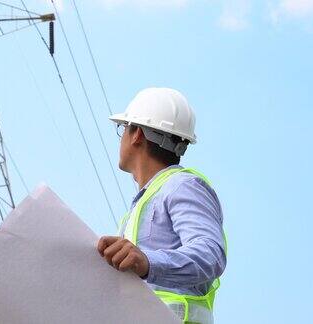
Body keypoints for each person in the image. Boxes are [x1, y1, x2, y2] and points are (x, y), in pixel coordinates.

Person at [96, 88, 227, 324]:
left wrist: (147, 262)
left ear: (137, 134)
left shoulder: (182, 186)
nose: (122, 136)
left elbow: (210, 254)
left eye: (123, 128)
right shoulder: (140, 207)